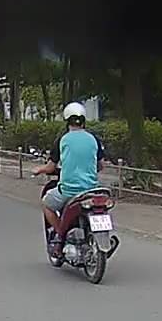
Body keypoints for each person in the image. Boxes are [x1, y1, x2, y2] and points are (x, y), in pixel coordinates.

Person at [32, 102, 105, 255]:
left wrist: (39, 170)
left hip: (69, 190)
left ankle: (61, 235)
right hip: (92, 190)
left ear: (67, 121)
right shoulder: (93, 139)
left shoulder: (62, 140)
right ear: (83, 120)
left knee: (46, 204)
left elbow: (50, 168)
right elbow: (100, 166)